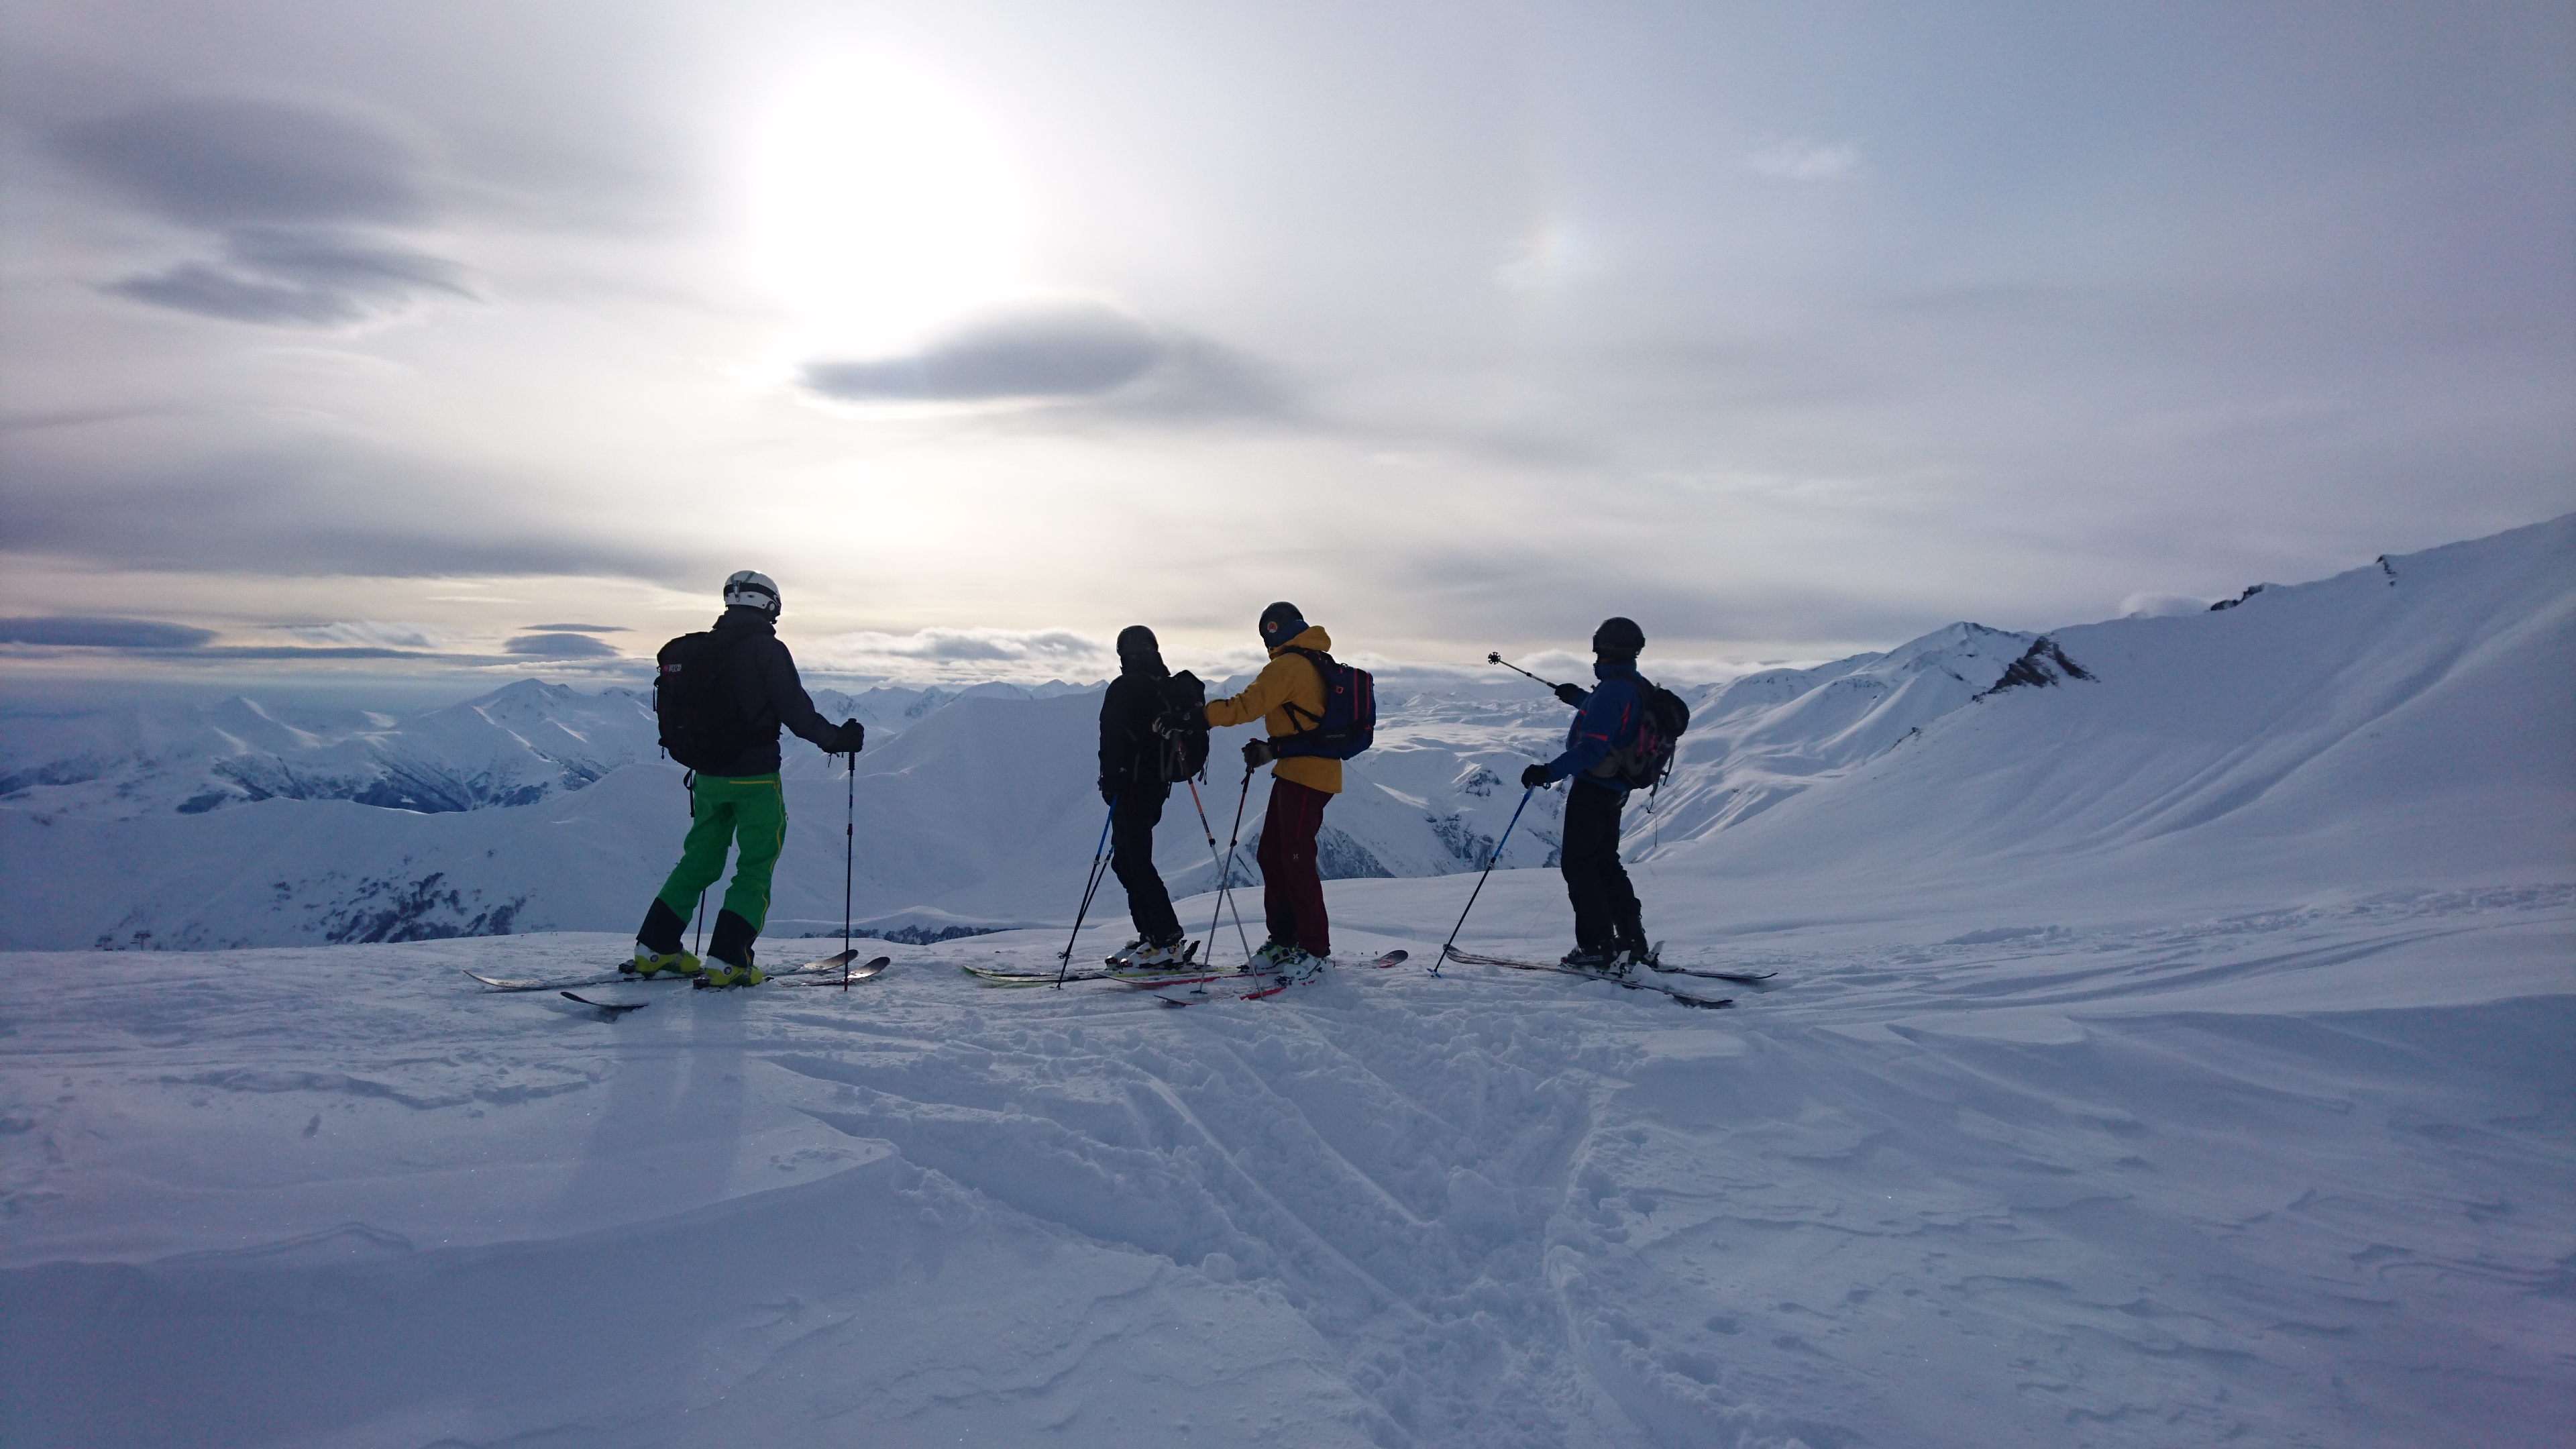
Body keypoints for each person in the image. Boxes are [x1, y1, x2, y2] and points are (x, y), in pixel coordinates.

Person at [633, 570, 864, 987]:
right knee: (755, 865)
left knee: (698, 861)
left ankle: (655, 948)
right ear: (769, 606)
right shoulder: (766, 650)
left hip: (706, 778)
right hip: (755, 780)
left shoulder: (699, 650)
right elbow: (797, 714)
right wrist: (840, 741)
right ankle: (729, 959)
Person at [1203, 601, 1341, 979]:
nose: (1268, 637)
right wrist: (1273, 750)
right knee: (1272, 854)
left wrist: (1200, 716)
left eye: (1269, 630)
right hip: (1299, 772)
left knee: (1295, 859)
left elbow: (1246, 706)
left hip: (1306, 777)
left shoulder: (1290, 665)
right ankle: (1285, 939)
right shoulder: (1310, 661)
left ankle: (1313, 948)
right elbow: (1301, 728)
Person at [1520, 616, 1653, 972]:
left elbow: (1592, 750)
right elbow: (1616, 721)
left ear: (1606, 651)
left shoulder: (1611, 691)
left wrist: (1546, 772)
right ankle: (1632, 941)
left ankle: (1597, 946)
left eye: (1597, 651)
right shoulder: (1635, 687)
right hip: (1617, 790)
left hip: (1594, 789)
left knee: (1579, 866)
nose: (1594, 659)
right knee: (1606, 863)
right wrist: (1578, 698)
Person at [1098, 625, 1189, 968]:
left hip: (1130, 787)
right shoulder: (1164, 688)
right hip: (1154, 788)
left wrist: (1110, 780)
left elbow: (1111, 739)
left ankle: (1164, 939)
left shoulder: (1124, 688)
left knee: (1132, 860)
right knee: (1130, 859)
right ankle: (1154, 937)